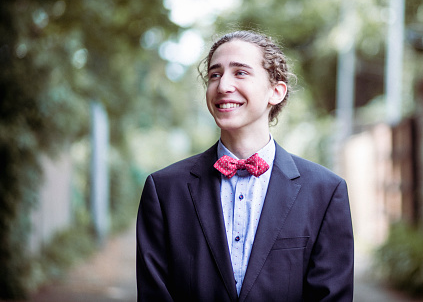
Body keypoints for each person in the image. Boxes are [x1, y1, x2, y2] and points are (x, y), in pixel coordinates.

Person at [136, 30, 354, 301]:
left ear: (276, 91)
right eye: (215, 74)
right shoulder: (163, 190)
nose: (223, 85)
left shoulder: (325, 191)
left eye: (240, 73)